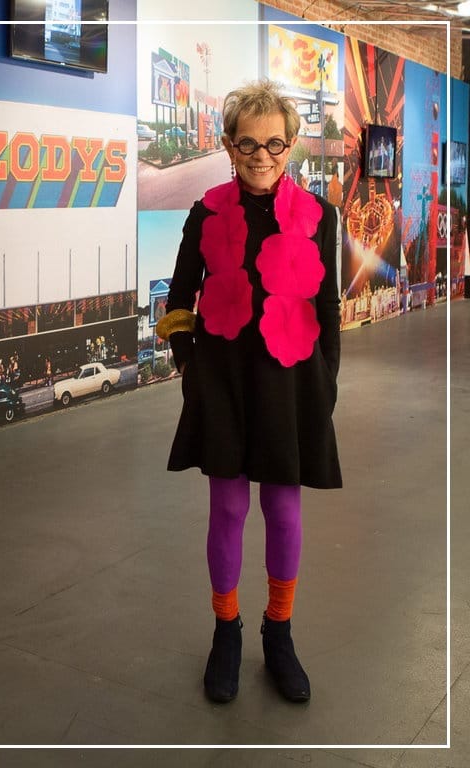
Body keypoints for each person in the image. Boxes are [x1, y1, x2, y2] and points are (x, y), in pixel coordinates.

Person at [155, 79, 342, 705]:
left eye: (274, 143)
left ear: (290, 146)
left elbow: (329, 311)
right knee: (228, 510)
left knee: (284, 511)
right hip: (225, 384)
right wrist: (191, 369)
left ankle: (279, 633)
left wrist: (326, 387)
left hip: (292, 386)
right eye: (247, 143)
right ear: (229, 146)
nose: (261, 155)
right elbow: (179, 301)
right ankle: (227, 632)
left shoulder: (320, 216)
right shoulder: (205, 212)